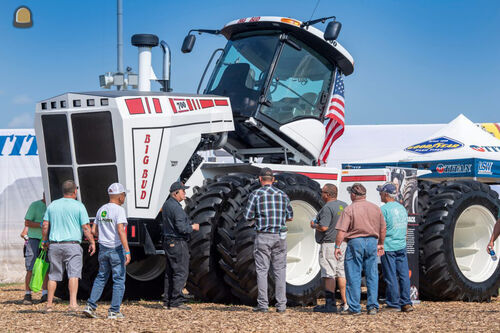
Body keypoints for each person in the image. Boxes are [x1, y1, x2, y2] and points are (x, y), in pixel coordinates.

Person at [41, 180, 96, 312]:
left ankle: (49, 304)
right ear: (75, 191)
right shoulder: (79, 206)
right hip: (72, 245)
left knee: (53, 275)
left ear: (63, 191)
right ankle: (72, 304)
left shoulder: (53, 205)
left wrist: (44, 241)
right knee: (73, 274)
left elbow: (45, 225)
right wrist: (92, 242)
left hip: (54, 245)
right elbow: (86, 227)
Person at [244, 168, 293, 313]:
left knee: (262, 271)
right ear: (273, 180)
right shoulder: (283, 195)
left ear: (260, 179)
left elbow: (247, 216)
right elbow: (290, 216)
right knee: (280, 270)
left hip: (263, 236)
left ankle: (263, 305)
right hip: (279, 236)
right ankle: (281, 306)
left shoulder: (256, 194)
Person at [335, 183, 386, 315]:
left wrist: (337, 246)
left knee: (353, 275)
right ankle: (373, 307)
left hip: (355, 242)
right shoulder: (375, 208)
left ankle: (354, 308)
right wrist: (381, 243)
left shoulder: (349, 209)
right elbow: (383, 228)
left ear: (353, 194)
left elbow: (341, 231)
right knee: (372, 275)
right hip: (372, 242)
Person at [83, 183, 131, 319]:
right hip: (116, 249)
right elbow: (121, 230)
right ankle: (114, 311)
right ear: (120, 196)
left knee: (101, 277)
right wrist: (127, 251)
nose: (125, 198)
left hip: (103, 249)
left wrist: (103, 235)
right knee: (119, 280)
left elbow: (93, 230)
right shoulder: (119, 210)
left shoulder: (101, 209)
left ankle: (90, 306)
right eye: (124, 195)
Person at [161, 181, 199, 310]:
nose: (185, 193)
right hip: (178, 242)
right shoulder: (176, 207)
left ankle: (167, 301)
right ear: (176, 193)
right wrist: (192, 227)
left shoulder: (166, 205)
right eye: (183, 191)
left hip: (168, 242)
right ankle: (176, 302)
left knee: (170, 272)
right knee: (181, 272)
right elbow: (181, 228)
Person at [310, 184, 348, 313]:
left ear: (327, 194)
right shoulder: (344, 205)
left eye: (322, 192)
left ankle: (330, 304)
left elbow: (324, 227)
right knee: (341, 273)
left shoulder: (327, 208)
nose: (321, 194)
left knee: (329, 274)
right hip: (343, 243)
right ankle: (345, 303)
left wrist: (314, 225)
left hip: (329, 244)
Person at [377, 182, 413, 312]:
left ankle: (393, 303)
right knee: (403, 274)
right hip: (401, 244)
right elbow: (406, 227)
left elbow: (382, 229)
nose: (380, 194)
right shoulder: (402, 208)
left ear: (386, 194)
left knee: (390, 275)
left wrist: (380, 243)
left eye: (381, 192)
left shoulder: (383, 209)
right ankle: (406, 302)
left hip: (389, 245)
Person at [21, 193, 48, 304]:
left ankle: (45, 294)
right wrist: (42, 224)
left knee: (45, 267)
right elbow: (27, 222)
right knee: (30, 267)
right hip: (33, 240)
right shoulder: (35, 205)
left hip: (46, 240)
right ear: (44, 194)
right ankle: (28, 294)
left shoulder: (53, 205)